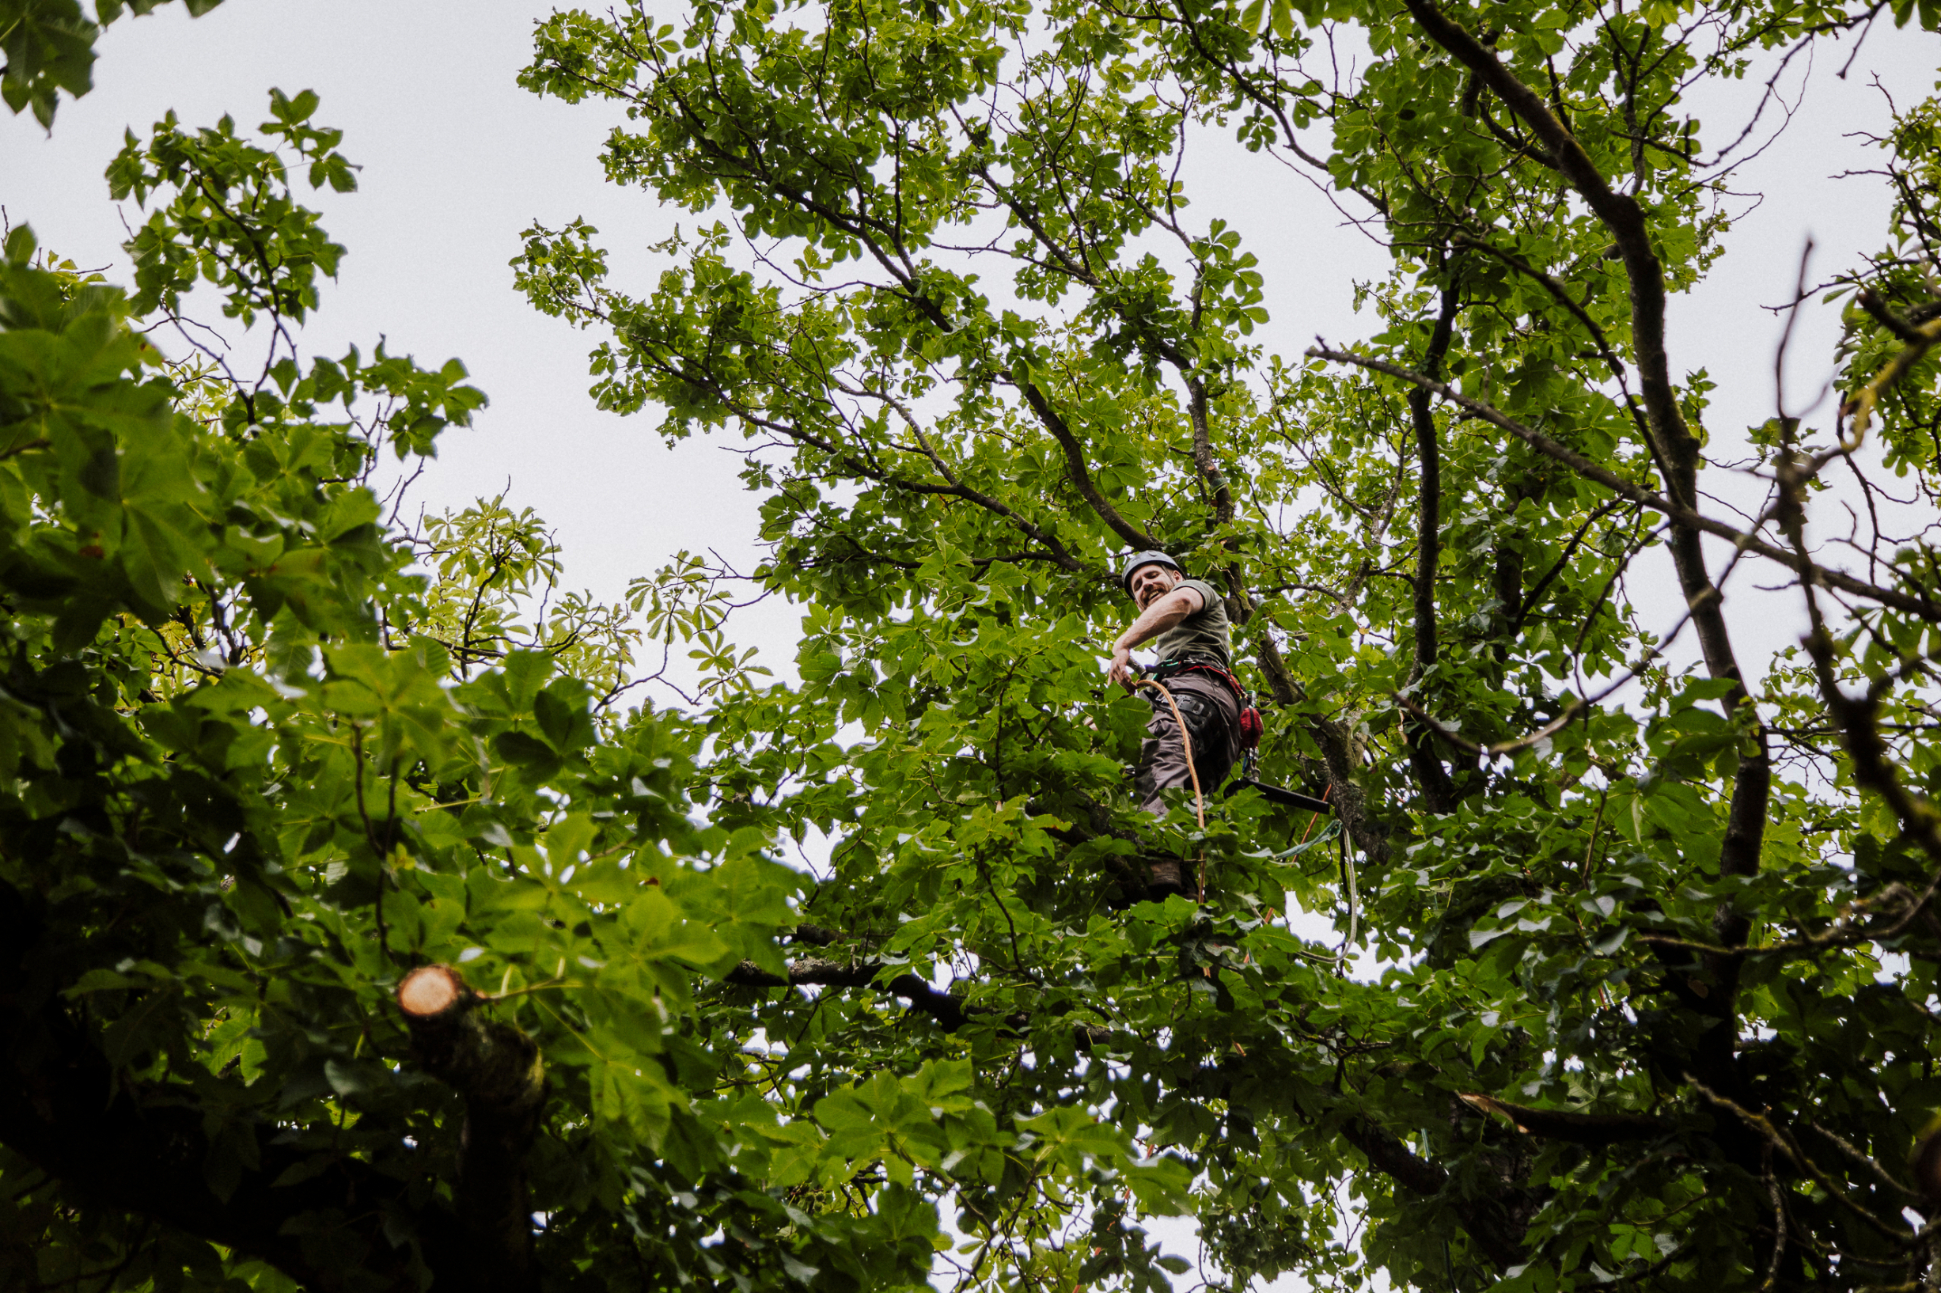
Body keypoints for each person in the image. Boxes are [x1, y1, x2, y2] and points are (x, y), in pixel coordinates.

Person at [1106, 551, 1245, 821]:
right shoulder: (1166, 661)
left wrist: (1122, 644)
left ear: (1177, 577)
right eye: (1138, 585)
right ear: (1138, 605)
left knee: (1159, 765)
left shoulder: (1195, 590)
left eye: (1152, 575)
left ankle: (1158, 844)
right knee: (1185, 810)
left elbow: (1181, 602)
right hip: (1211, 724)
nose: (1146, 585)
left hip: (1195, 694)